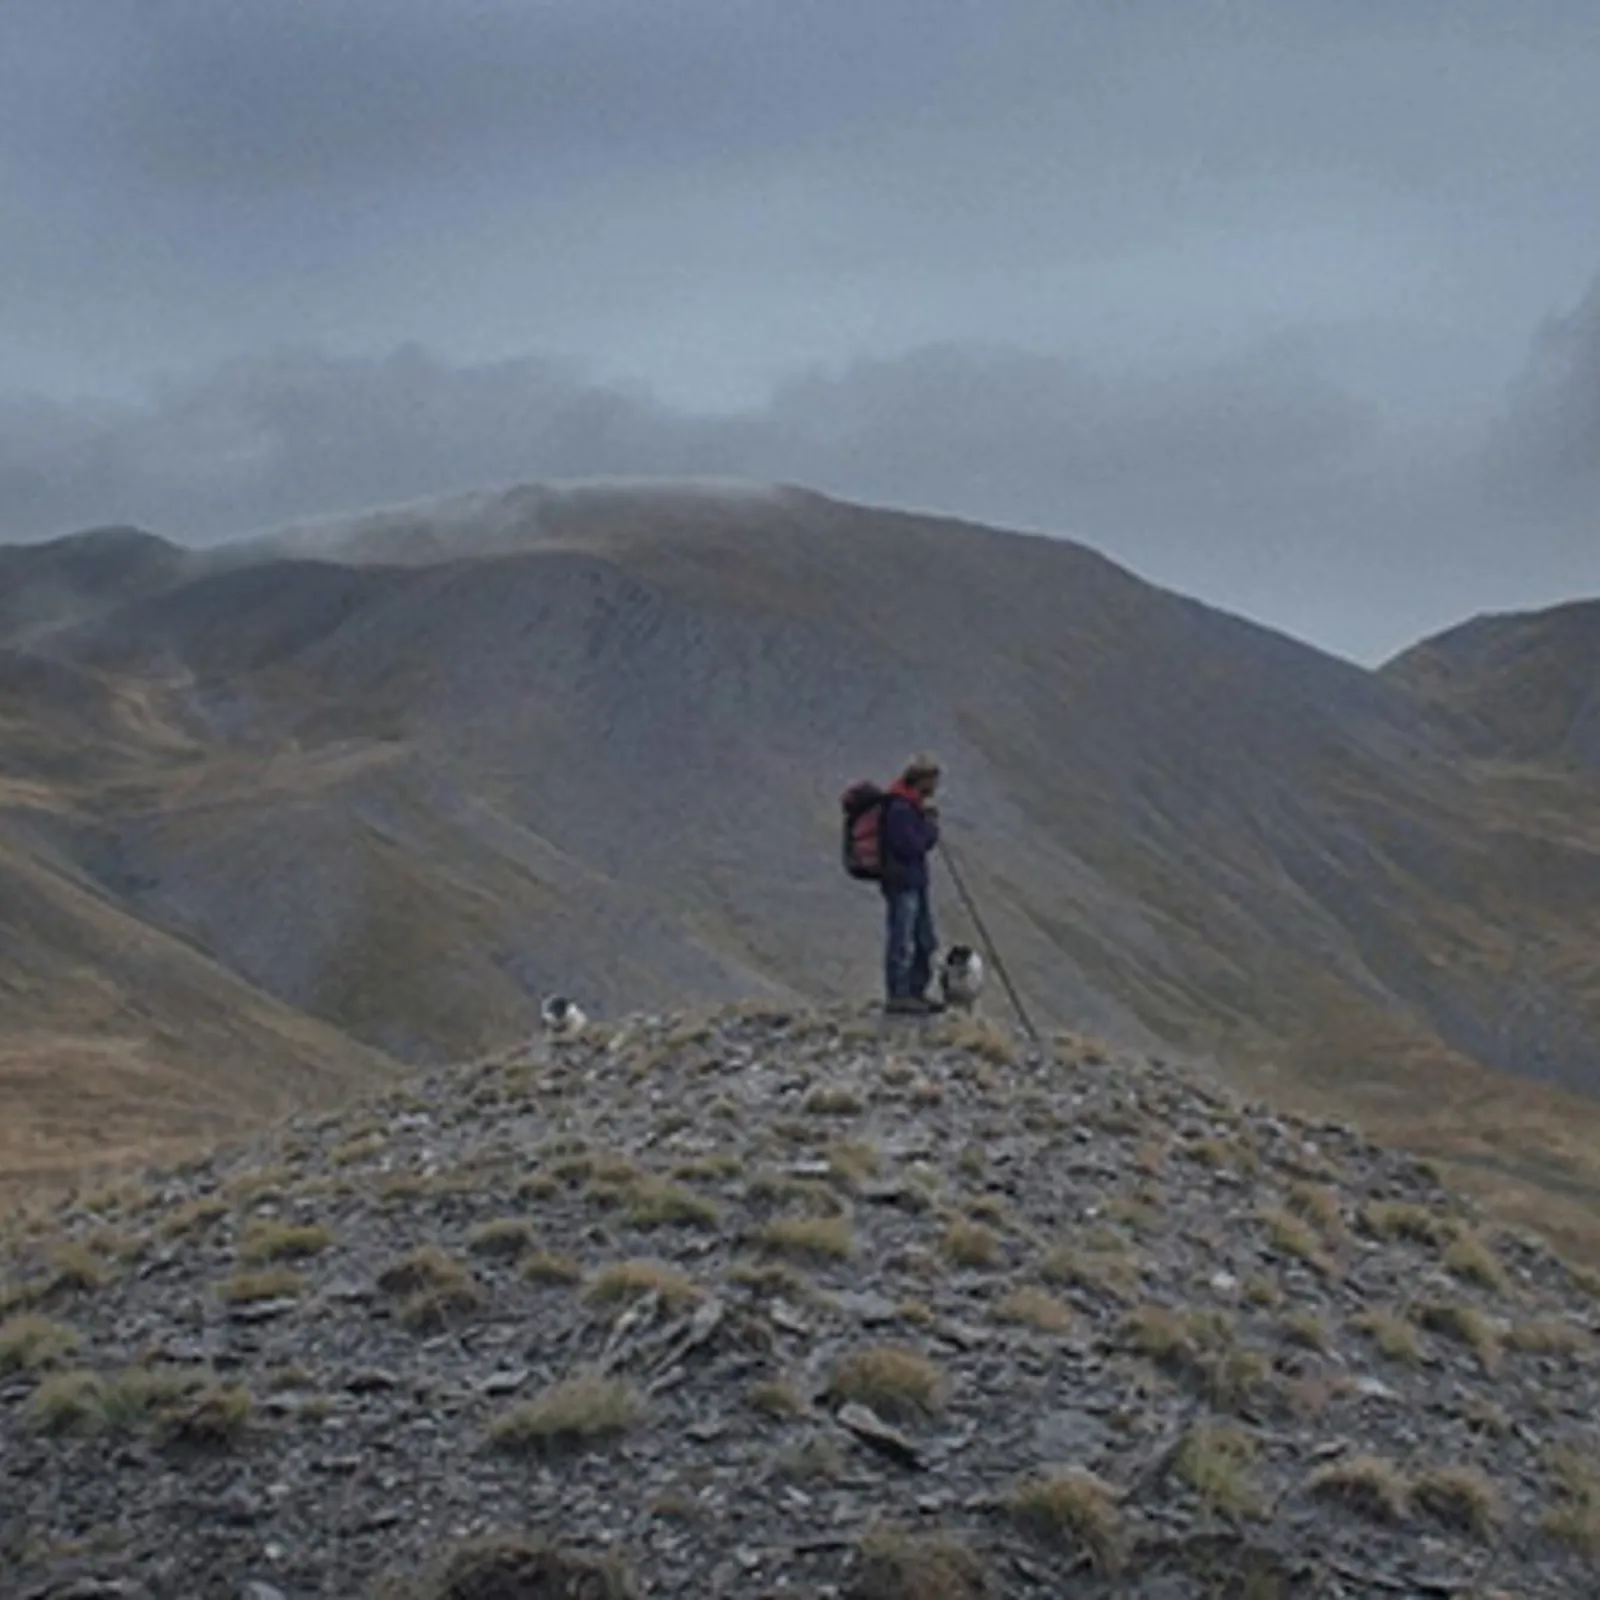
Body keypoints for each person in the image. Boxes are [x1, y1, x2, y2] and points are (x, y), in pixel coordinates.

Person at [879, 754, 945, 1013]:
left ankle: (916, 992)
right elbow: (911, 845)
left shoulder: (908, 807)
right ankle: (899, 994)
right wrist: (930, 829)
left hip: (913, 881)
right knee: (903, 939)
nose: (936, 788)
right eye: (933, 781)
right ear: (923, 781)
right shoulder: (900, 809)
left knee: (924, 939)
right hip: (902, 882)